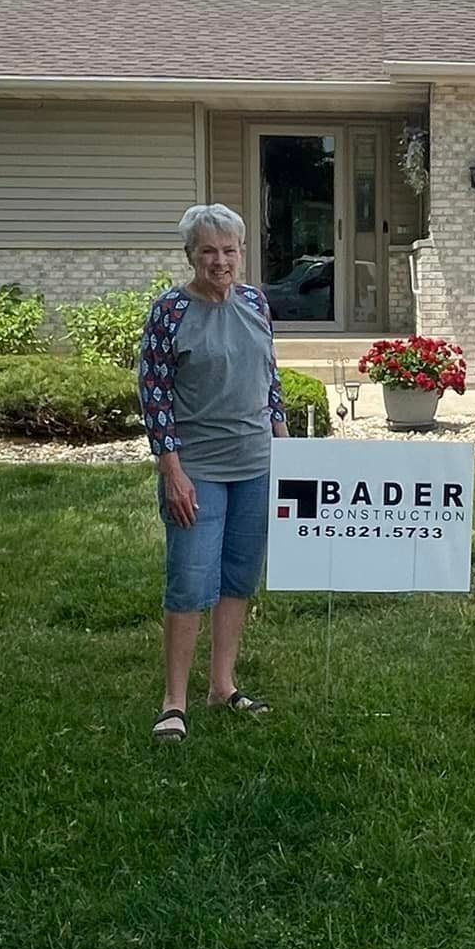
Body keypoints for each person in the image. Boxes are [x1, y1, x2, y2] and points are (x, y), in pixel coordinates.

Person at [137, 204, 288, 742]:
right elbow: (153, 395)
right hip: (196, 468)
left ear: (241, 253)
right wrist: (172, 470)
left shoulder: (254, 303)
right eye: (208, 251)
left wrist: (285, 448)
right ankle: (173, 701)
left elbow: (269, 382)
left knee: (237, 578)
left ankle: (222, 685)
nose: (219, 261)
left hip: (256, 466)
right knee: (189, 581)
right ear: (190, 256)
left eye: (229, 250)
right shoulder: (170, 311)